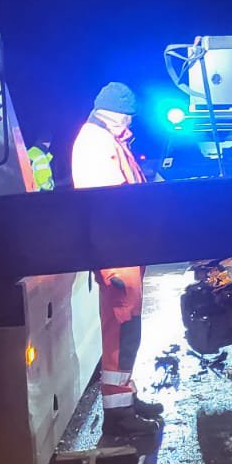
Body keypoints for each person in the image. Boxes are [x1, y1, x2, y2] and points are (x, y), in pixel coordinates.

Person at [71, 82, 163, 441]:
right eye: (127, 116)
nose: (130, 122)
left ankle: (126, 398)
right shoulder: (95, 143)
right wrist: (113, 265)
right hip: (117, 254)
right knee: (123, 331)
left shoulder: (107, 140)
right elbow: (108, 206)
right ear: (113, 113)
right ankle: (118, 415)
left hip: (123, 251)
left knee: (127, 331)